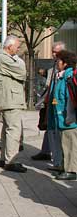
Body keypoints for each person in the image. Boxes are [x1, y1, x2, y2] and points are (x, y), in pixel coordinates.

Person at [0, 35, 27, 173]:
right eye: (17, 47)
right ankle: (11, 161)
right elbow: (22, 72)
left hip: (9, 98)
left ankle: (4, 158)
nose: (18, 49)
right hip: (10, 99)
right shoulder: (3, 58)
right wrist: (19, 61)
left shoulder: (3, 57)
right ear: (9, 46)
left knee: (7, 129)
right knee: (14, 130)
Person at [32, 41, 66, 164]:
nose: (53, 54)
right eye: (52, 51)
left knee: (59, 130)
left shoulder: (66, 68)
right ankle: (46, 151)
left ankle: (60, 160)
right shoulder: (55, 66)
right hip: (50, 101)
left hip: (60, 104)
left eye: (55, 52)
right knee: (49, 126)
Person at [50, 50, 77, 180]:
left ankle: (71, 170)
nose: (56, 63)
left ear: (65, 63)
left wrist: (69, 117)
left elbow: (70, 99)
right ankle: (64, 167)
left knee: (70, 144)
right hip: (61, 117)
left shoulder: (69, 77)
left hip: (68, 118)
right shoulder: (62, 76)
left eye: (58, 61)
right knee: (64, 144)